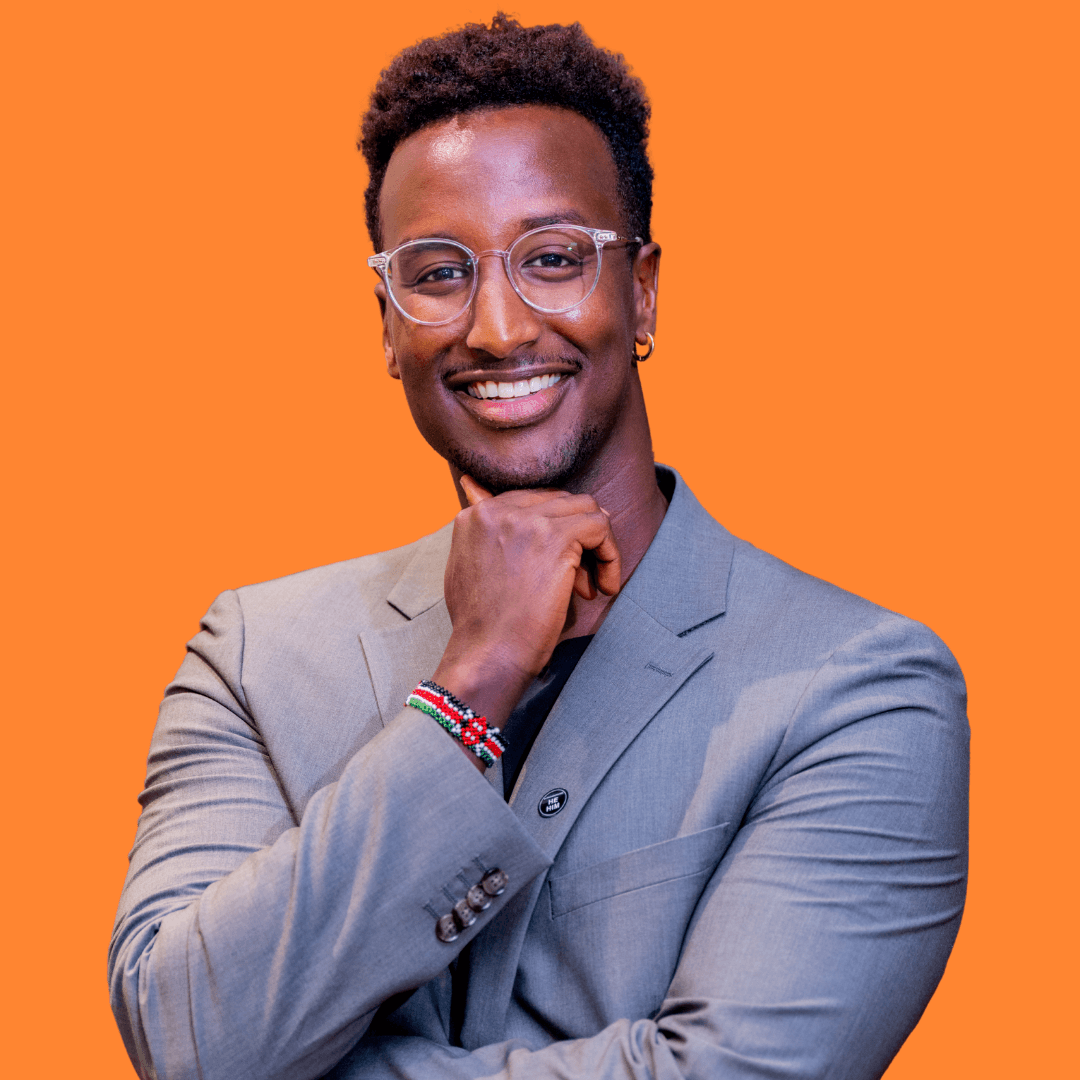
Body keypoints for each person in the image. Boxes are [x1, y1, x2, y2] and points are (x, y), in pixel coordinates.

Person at [109, 14, 969, 1080]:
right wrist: (469, 686)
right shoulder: (253, 656)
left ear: (641, 289)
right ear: (387, 323)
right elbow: (188, 1041)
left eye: (554, 260)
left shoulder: (859, 686)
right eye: (437, 273)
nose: (500, 328)